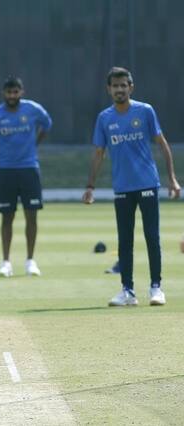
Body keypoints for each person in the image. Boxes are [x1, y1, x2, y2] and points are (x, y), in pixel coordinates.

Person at [83, 67, 180, 307]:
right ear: (109, 89)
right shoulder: (104, 118)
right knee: (124, 241)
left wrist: (172, 178)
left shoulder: (145, 111)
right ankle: (127, 291)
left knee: (152, 237)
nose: (119, 90)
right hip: (122, 187)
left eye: (123, 85)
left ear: (131, 87)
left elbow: (162, 144)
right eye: (115, 86)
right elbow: (99, 153)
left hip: (147, 184)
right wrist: (90, 185)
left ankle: (156, 288)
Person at [0, 77, 52, 277]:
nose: (12, 96)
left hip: (29, 168)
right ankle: (6, 262)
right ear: (3, 93)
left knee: (32, 215)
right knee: (7, 216)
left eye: (15, 92)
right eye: (9, 92)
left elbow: (47, 124)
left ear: (22, 92)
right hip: (5, 170)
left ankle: (30, 261)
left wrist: (35, 144)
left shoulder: (33, 109)